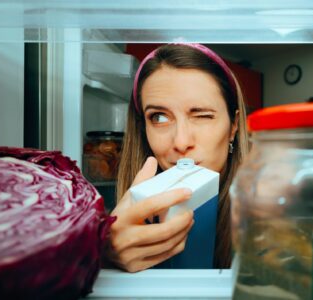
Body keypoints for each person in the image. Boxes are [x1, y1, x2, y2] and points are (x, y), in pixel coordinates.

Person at [106, 43, 248, 272]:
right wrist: (105, 259)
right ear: (143, 129)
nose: (181, 142)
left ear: (233, 126)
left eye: (202, 115)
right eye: (159, 118)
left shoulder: (269, 221)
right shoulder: (115, 228)